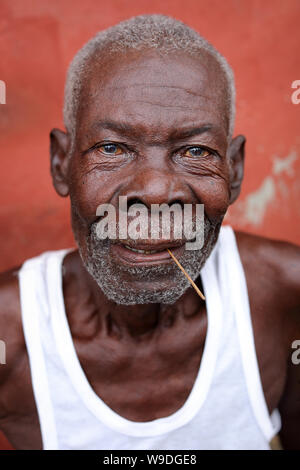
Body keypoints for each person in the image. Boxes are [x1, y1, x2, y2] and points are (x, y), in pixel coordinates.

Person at [0, 14, 299, 450]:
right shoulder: (11, 335)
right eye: (112, 148)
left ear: (234, 171)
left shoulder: (283, 297)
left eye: (195, 150)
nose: (156, 193)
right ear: (61, 164)